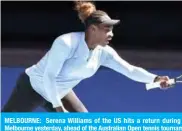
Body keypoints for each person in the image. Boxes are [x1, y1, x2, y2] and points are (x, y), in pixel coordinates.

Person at [2, 1, 171, 113]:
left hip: (60, 91)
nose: (111, 34)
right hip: (33, 88)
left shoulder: (104, 52)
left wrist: (155, 78)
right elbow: (49, 76)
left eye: (112, 30)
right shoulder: (66, 43)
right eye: (107, 29)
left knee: (85, 124)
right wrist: (59, 109)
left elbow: (130, 70)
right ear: (92, 30)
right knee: (6, 125)